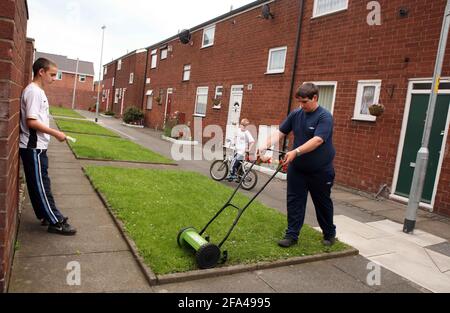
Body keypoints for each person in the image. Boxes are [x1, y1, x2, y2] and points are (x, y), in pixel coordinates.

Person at [258, 83, 336, 247]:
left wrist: (295, 152)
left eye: (305, 102)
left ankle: (329, 233)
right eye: (299, 102)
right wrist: (263, 145)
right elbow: (280, 132)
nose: (302, 105)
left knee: (322, 203)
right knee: (294, 202)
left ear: (315, 98)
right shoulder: (296, 114)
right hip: (298, 170)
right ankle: (292, 235)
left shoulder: (325, 117)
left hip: (320, 171)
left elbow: (318, 140)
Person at [19, 58, 77, 235]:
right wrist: (56, 133)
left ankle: (46, 215)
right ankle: (56, 221)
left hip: (37, 148)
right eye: (52, 74)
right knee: (42, 185)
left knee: (39, 184)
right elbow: (32, 121)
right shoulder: (34, 92)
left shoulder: (38, 92)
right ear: (41, 72)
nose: (54, 78)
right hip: (33, 148)